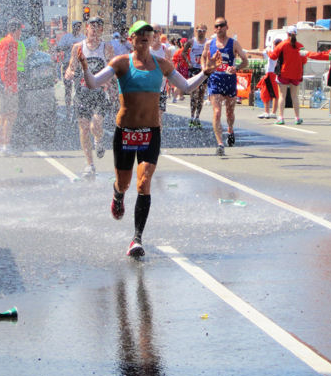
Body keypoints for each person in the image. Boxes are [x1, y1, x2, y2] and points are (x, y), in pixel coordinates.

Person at [77, 20, 220, 257]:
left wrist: (205, 73)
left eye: (148, 33)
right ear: (130, 39)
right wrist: (84, 68)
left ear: (153, 38)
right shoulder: (121, 63)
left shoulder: (162, 64)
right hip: (126, 132)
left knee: (143, 183)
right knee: (124, 182)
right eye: (139, 33)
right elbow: (93, 83)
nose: (145, 36)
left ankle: (136, 239)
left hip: (150, 132)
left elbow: (185, 87)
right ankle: (118, 194)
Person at [65, 17, 114, 178]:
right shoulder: (78, 47)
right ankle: (90, 164)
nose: (94, 30)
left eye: (98, 27)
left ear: (102, 30)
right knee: (84, 128)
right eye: (92, 27)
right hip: (82, 93)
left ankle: (99, 141)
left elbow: (112, 69)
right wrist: (70, 74)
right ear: (86, 28)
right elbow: (71, 68)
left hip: (99, 93)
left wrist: (110, 85)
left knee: (95, 125)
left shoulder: (106, 48)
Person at [202, 16, 249, 156]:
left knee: (229, 112)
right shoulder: (209, 43)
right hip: (215, 80)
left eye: (221, 25)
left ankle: (230, 129)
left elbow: (245, 61)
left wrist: (236, 68)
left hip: (229, 81)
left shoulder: (233, 44)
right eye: (216, 26)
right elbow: (203, 58)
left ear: (226, 27)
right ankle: (220, 144)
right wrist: (205, 69)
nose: (219, 28)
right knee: (217, 112)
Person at [0, 19, 22, 156]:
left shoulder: (2, 42)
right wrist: (7, 84)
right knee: (10, 115)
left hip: (1, 84)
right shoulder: (11, 43)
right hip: (7, 85)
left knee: (2, 115)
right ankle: (6, 146)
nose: (21, 33)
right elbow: (4, 64)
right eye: (20, 30)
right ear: (15, 30)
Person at [267, 25, 307, 126]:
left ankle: (281, 117)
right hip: (296, 74)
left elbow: (273, 56)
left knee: (282, 96)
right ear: (296, 34)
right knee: (295, 96)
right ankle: (297, 118)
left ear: (287, 34)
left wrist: (268, 51)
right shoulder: (301, 46)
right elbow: (305, 60)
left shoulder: (282, 45)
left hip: (284, 73)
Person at [57, 21, 83, 119]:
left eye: (79, 26)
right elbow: (58, 48)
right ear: (72, 27)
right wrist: (68, 47)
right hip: (67, 64)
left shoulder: (83, 38)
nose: (77, 28)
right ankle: (68, 110)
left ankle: (76, 111)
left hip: (78, 65)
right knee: (68, 89)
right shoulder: (66, 37)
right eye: (76, 26)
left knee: (78, 89)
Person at [188, 24, 209, 127]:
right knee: (193, 94)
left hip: (203, 71)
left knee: (201, 95)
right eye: (199, 30)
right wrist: (188, 62)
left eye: (203, 31)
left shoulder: (208, 42)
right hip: (194, 69)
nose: (201, 32)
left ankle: (197, 117)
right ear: (196, 31)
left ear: (206, 32)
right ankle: (191, 116)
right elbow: (183, 53)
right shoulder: (192, 42)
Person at [149, 24, 169, 127]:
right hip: (146, 88)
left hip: (161, 88)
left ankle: (157, 141)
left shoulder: (165, 49)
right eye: (152, 31)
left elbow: (170, 68)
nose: (154, 34)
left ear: (160, 33)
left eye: (157, 31)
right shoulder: (145, 49)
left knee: (158, 116)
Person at [257, 38, 281, 119]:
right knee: (265, 93)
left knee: (274, 94)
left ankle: (273, 112)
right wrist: (247, 51)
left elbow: (272, 56)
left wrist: (268, 50)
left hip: (273, 74)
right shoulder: (272, 51)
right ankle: (266, 111)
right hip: (269, 74)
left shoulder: (277, 52)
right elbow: (260, 53)